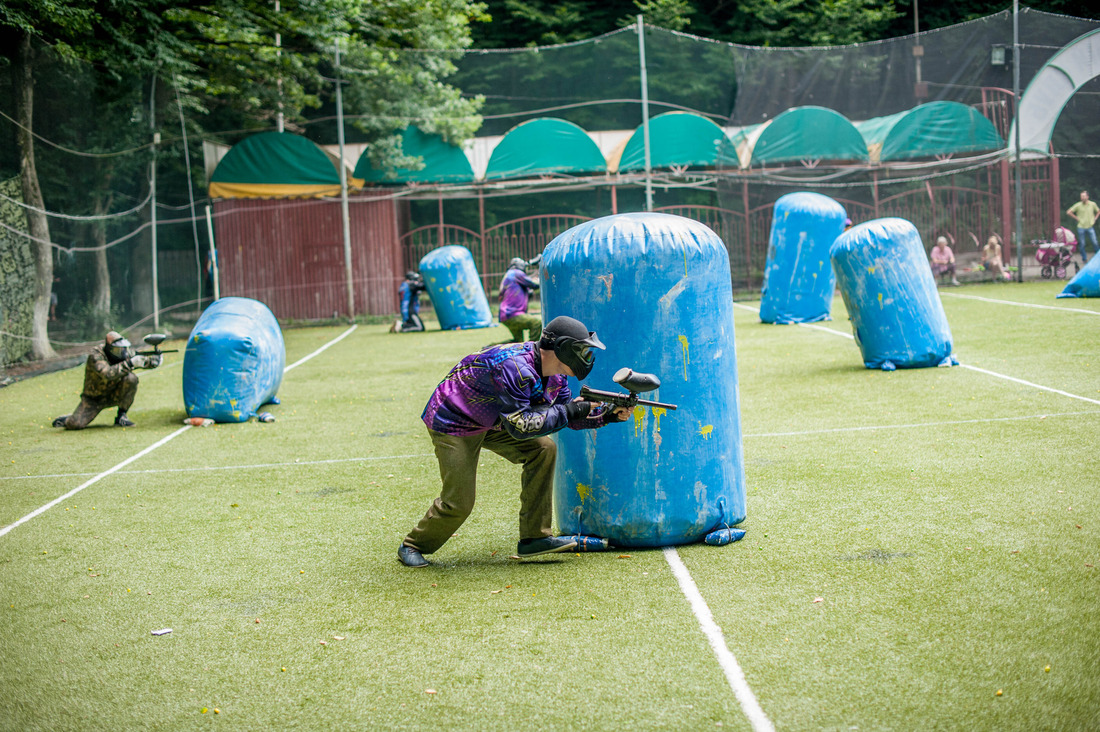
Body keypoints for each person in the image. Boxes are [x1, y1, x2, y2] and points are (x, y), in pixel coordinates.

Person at [397, 315, 631, 568]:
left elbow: (565, 416)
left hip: (496, 419)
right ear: (562, 348)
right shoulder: (514, 367)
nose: (586, 357)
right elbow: (521, 426)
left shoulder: (557, 375)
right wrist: (573, 411)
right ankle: (413, 545)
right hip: (455, 420)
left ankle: (534, 538)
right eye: (582, 350)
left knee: (543, 449)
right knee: (459, 502)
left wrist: (605, 416)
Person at [52, 330, 162, 430]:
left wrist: (155, 361)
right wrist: (130, 363)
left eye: (122, 348)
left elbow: (140, 360)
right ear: (109, 347)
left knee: (131, 378)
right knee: (75, 424)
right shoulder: (96, 356)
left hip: (114, 393)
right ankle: (67, 419)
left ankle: (121, 416)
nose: (121, 352)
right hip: (94, 399)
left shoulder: (123, 352)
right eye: (117, 349)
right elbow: (108, 373)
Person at [498, 257, 541, 343]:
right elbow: (535, 284)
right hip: (513, 313)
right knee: (537, 323)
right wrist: (541, 275)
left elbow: (529, 292)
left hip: (506, 314)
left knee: (517, 342)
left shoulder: (510, 275)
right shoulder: (516, 273)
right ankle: (531, 350)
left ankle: (488, 348)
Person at [1066, 190, 1099, 264]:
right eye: (1081, 196)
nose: (1082, 198)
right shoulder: (1078, 205)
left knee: (1095, 242)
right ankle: (1084, 258)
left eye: (1084, 196)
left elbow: (1098, 211)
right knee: (1082, 244)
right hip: (1081, 227)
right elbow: (1068, 212)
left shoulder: (1092, 204)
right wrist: (1076, 218)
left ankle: (1098, 257)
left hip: (1090, 226)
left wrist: (1095, 218)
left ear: (1087, 197)